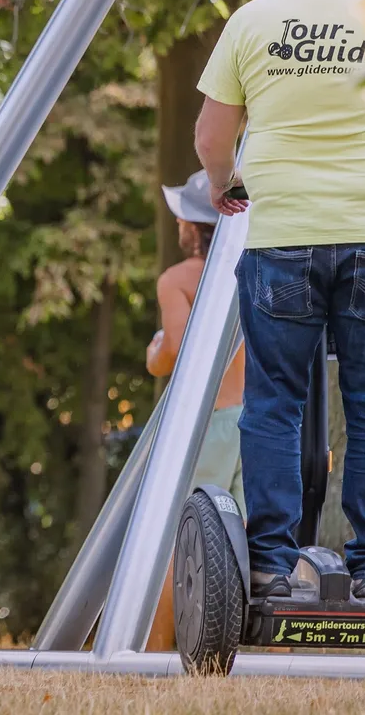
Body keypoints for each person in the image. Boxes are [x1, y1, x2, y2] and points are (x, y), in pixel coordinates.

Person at [195, 0, 365, 601]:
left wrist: (222, 183)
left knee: (275, 404)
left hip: (284, 234)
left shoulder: (254, 19)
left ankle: (268, 564)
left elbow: (211, 134)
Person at [146, 168, 247, 650]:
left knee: (177, 543)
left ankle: (157, 654)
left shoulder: (178, 280)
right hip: (256, 423)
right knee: (252, 546)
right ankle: (269, 657)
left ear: (191, 226)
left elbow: (180, 352)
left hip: (205, 425)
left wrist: (154, 353)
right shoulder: (255, 268)